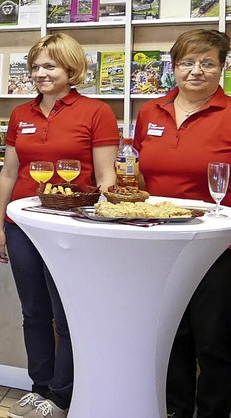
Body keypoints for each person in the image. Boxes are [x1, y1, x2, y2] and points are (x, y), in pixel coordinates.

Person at [0, 33, 119, 418]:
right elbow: (8, 175)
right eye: (35, 67)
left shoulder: (97, 112)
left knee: (66, 315)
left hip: (72, 226)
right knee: (33, 311)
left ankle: (62, 397)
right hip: (23, 226)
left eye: (50, 66)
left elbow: (106, 176)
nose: (40, 73)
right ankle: (40, 386)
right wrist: (0, 226)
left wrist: (104, 221)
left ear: (71, 68)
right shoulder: (20, 114)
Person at [133, 29, 231, 418]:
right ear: (173, 68)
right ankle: (173, 411)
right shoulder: (150, 111)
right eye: (187, 62)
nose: (196, 71)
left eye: (207, 62)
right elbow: (139, 173)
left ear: (222, 67)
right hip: (158, 243)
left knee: (214, 342)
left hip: (216, 247)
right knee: (171, 336)